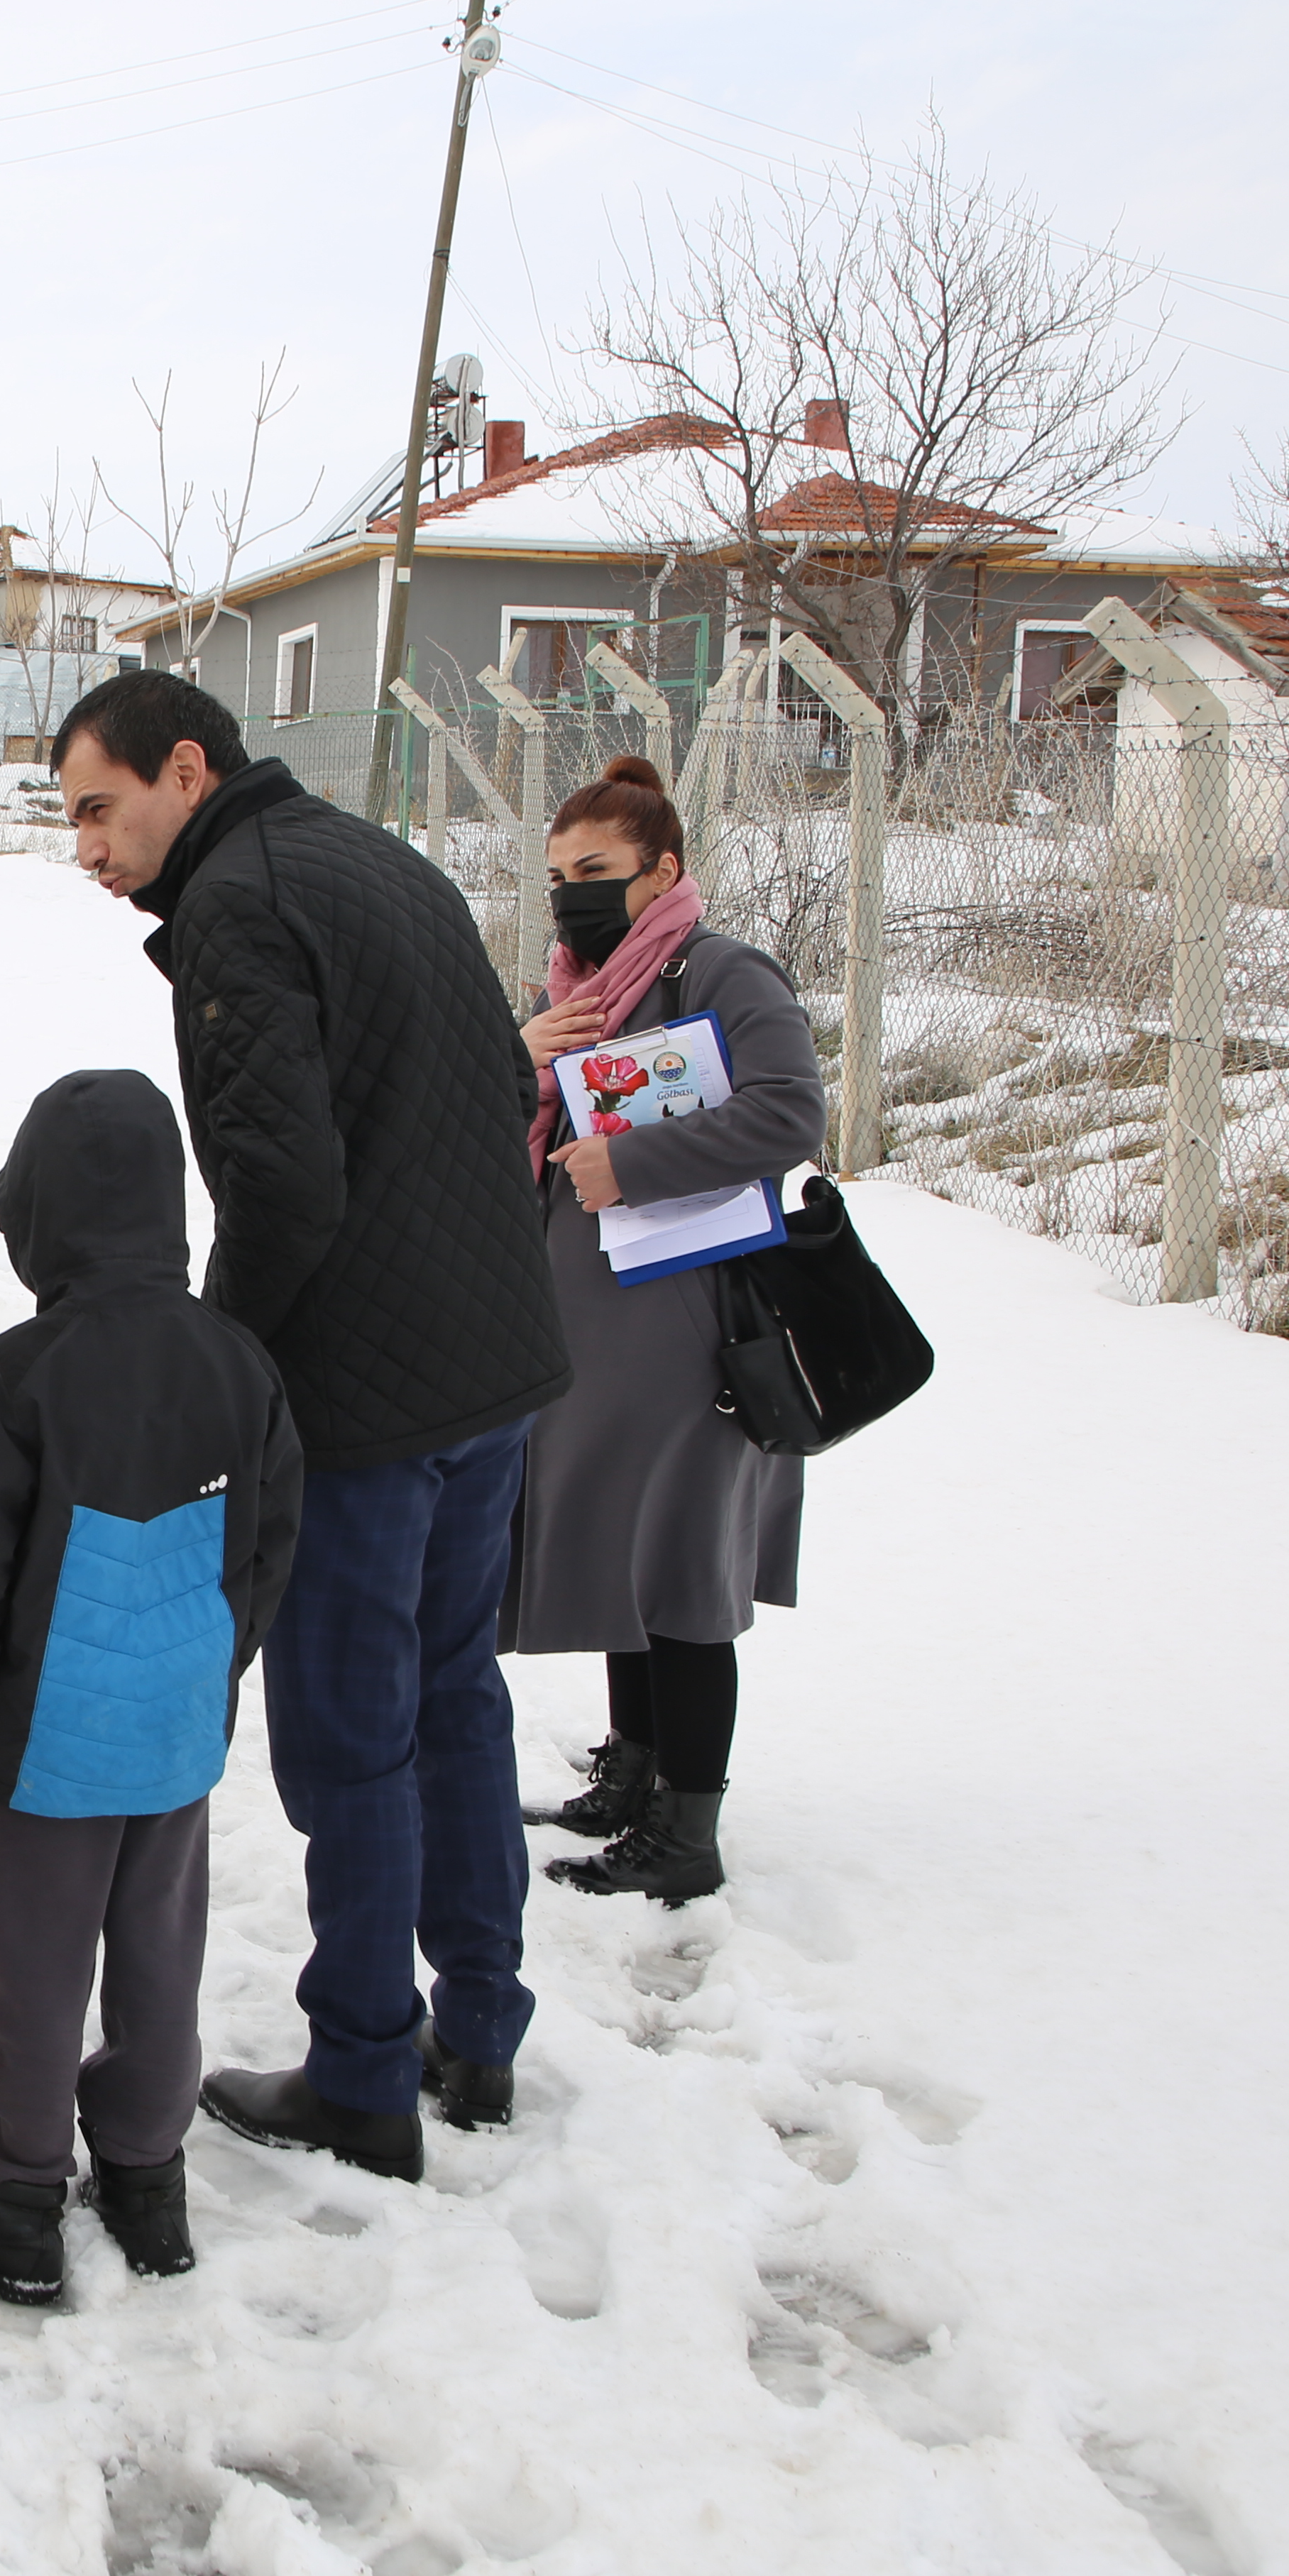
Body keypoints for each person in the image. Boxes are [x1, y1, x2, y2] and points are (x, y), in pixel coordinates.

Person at [50, 670, 571, 2184]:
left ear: (188, 772)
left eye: (99, 808)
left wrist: (229, 1376)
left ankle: (361, 2074)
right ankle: (478, 2028)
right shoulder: (372, 856)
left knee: (352, 1739)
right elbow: (490, 1090)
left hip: (370, 1402)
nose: (85, 848)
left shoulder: (236, 913)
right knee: (456, 1699)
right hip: (490, 1368)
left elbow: (282, 1188)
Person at [0, 1071, 302, 2306]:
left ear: (45, 1215)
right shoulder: (240, 1363)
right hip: (176, 1731)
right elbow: (272, 1543)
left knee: (37, 1969)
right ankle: (146, 2178)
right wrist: (213, 1672)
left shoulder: (21, 1374)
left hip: (45, 1742)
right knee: (161, 1953)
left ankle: (17, 2202)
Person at [509, 754, 825, 1903]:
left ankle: (687, 1830)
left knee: (682, 1570)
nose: (572, 895)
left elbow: (790, 1111)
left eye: (596, 870)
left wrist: (631, 1164)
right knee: (621, 1550)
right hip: (595, 1333)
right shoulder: (578, 990)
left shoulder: (721, 974)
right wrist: (525, 1058)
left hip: (690, 1332)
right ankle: (633, 1774)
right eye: (557, 875)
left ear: (664, 871)